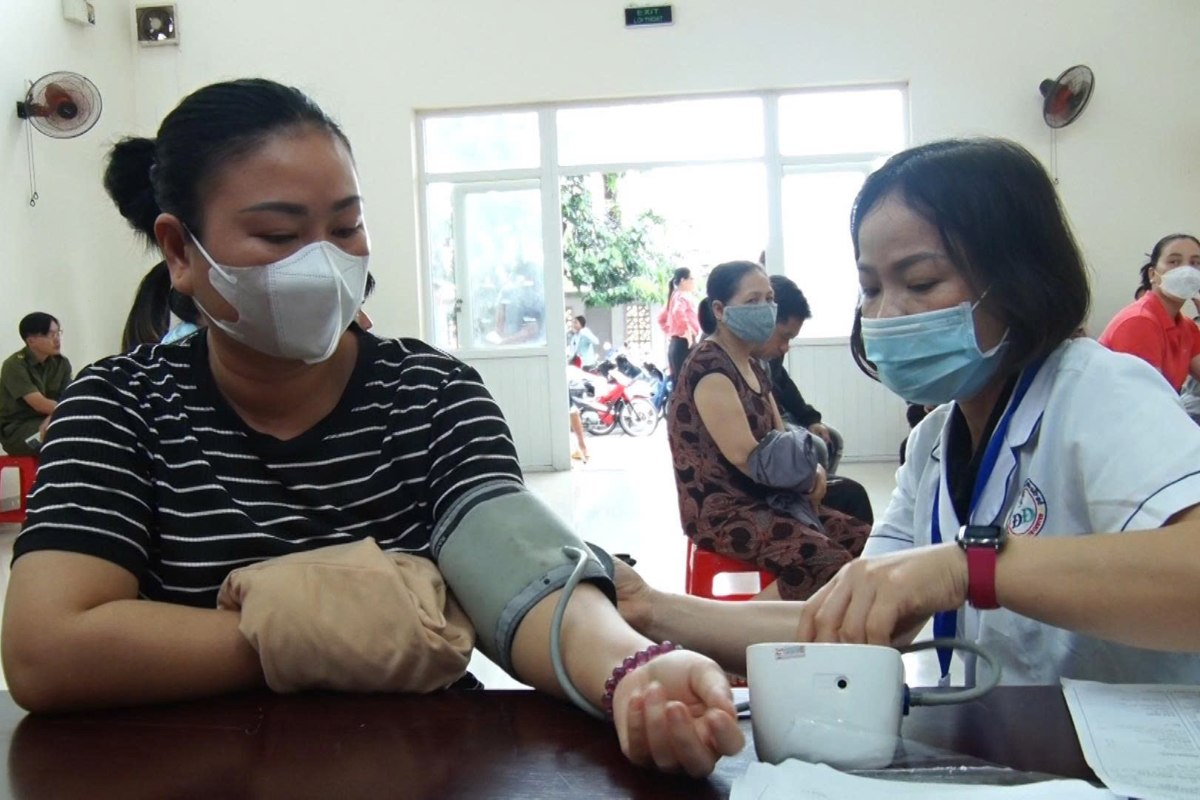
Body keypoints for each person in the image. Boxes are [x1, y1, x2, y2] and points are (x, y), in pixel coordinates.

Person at [0, 79, 742, 777]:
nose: (323, 262)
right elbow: (46, 648)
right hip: (192, 772)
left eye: (346, 226)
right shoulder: (121, 406)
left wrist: (631, 671)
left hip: (419, 767)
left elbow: (525, 574)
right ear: (179, 250)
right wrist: (335, 625)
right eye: (277, 235)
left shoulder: (429, 395)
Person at [619, 138, 1200, 688]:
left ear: (1021, 279)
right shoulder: (933, 447)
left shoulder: (1098, 393)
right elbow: (845, 621)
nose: (886, 315)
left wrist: (964, 568)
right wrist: (652, 609)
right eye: (869, 287)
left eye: (920, 281)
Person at [667, 260, 870, 601]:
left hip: (765, 499)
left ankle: (821, 632)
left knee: (863, 541)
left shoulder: (752, 365)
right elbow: (749, 458)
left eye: (769, 299)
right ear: (719, 309)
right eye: (752, 301)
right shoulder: (710, 367)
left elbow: (783, 439)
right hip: (724, 510)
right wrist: (809, 477)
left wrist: (814, 471)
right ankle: (732, 633)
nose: (764, 309)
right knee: (825, 561)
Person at [759, 274, 844, 474]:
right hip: (764, 424)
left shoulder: (771, 354)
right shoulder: (738, 355)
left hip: (780, 416)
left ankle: (822, 498)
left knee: (832, 439)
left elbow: (783, 384)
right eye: (784, 336)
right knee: (816, 448)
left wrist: (811, 419)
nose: (785, 348)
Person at [1098, 234, 1200, 392]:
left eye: (1195, 263)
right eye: (1174, 262)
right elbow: (1144, 399)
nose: (1186, 271)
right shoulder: (1139, 321)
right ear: (1153, 274)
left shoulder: (1186, 327)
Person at [0, 313, 72, 456]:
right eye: (50, 334)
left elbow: (68, 399)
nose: (57, 339)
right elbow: (40, 404)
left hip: (50, 421)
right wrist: (61, 414)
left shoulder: (61, 363)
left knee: (82, 427)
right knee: (63, 429)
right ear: (31, 341)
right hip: (18, 433)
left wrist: (55, 417)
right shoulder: (14, 365)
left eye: (58, 333)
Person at [657, 267, 701, 380]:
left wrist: (672, 332)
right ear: (683, 280)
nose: (693, 282)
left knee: (679, 384)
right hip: (684, 343)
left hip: (676, 344)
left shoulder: (674, 297)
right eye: (691, 278)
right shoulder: (682, 295)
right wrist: (687, 332)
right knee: (686, 384)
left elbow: (661, 318)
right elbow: (678, 311)